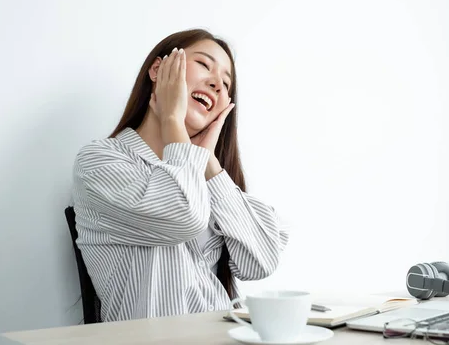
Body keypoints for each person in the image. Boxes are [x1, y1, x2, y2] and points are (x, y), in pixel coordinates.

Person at [71, 29, 289, 322]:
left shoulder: (202, 173)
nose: (216, 84)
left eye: (226, 84)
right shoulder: (99, 161)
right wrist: (173, 121)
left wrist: (208, 161)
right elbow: (183, 215)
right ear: (159, 70)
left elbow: (261, 262)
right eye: (203, 64)